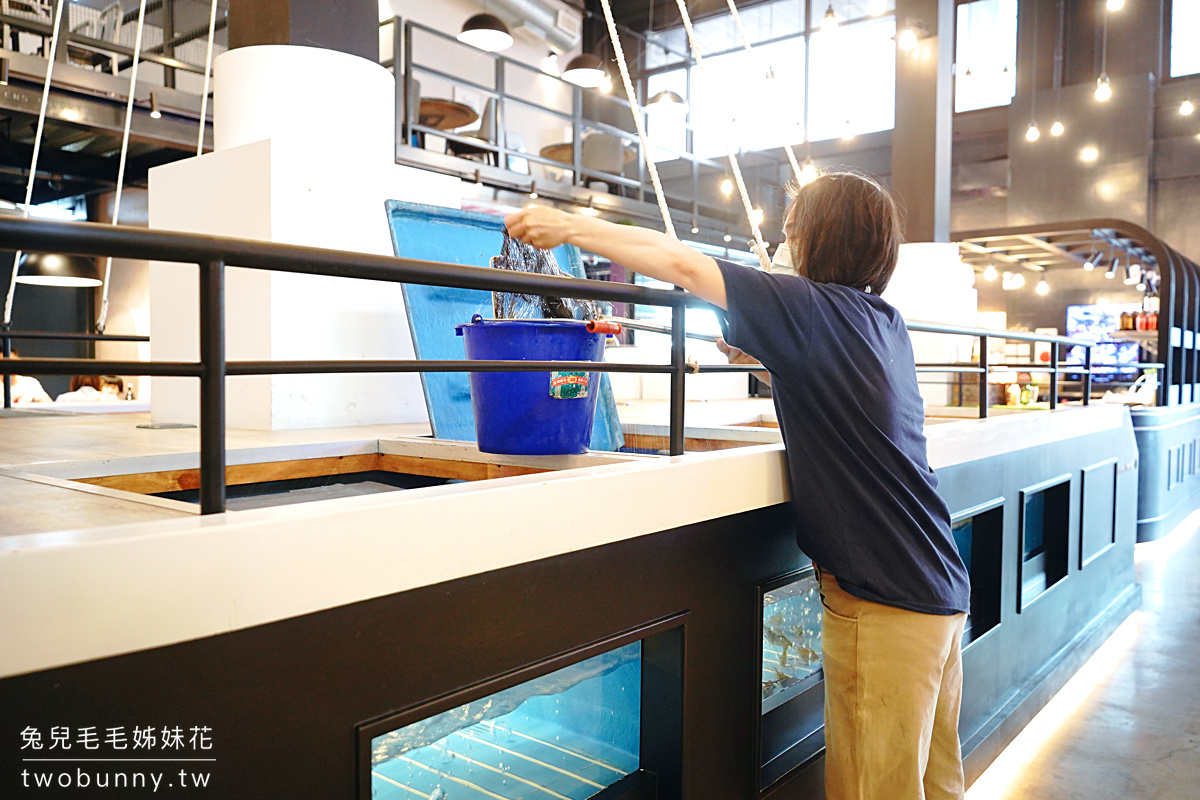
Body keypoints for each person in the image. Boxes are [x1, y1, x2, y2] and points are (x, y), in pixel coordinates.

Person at [506, 171, 971, 800]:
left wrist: (569, 226)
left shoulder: (809, 309)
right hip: (937, 588)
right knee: (935, 783)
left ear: (819, 238)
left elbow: (680, 263)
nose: (783, 245)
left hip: (882, 604)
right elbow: (828, 375)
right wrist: (756, 352)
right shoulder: (880, 321)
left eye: (789, 233)